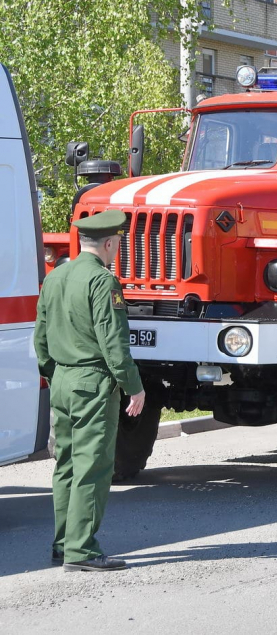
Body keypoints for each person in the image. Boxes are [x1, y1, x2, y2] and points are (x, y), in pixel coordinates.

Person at [34, 210, 146, 572]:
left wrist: (55, 375)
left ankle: (64, 543)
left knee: (65, 464)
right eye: (118, 244)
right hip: (92, 383)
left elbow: (40, 337)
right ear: (111, 243)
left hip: (62, 381)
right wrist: (134, 387)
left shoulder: (57, 277)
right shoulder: (103, 281)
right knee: (92, 467)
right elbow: (113, 342)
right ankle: (82, 551)